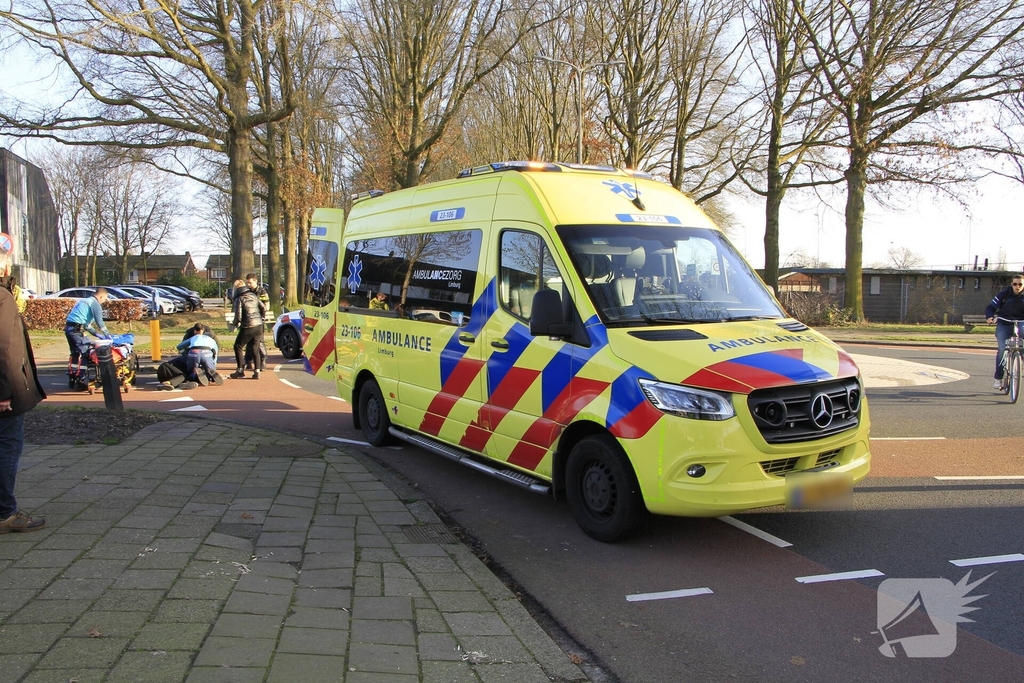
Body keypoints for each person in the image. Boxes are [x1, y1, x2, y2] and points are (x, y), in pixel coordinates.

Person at [0, 253, 46, 533]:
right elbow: (4, 348)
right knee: (7, 446)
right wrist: (4, 392)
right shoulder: (2, 299)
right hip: (6, 392)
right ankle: (5, 512)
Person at [985, 273, 1024, 390]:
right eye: (1015, 284)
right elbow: (991, 307)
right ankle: (998, 378)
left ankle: (1021, 359)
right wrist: (990, 317)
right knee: (1002, 349)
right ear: (1011, 284)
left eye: (1020, 284)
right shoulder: (1004, 294)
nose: (1017, 286)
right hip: (1004, 321)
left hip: (1022, 321)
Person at [65, 287, 110, 386]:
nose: (104, 301)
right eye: (105, 299)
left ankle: (72, 377)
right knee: (86, 354)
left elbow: (86, 325)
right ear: (101, 296)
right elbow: (100, 322)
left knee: (75, 353)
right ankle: (80, 379)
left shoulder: (83, 301)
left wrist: (95, 334)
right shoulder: (95, 303)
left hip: (69, 328)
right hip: (77, 331)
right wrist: (107, 335)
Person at [229, 278, 267, 379]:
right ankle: (257, 371)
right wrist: (261, 318)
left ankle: (240, 370)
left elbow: (238, 316)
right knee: (255, 348)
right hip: (259, 326)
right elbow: (263, 308)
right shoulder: (253, 295)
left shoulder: (239, 298)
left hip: (248, 326)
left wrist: (235, 324)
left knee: (238, 346)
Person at [243, 274, 269, 371]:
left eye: (250, 282)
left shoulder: (261, 291)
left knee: (259, 341)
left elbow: (266, 305)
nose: (248, 284)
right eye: (247, 282)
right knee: (248, 340)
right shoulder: (247, 291)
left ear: (255, 281)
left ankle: (263, 360)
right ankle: (248, 361)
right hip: (249, 319)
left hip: (258, 319)